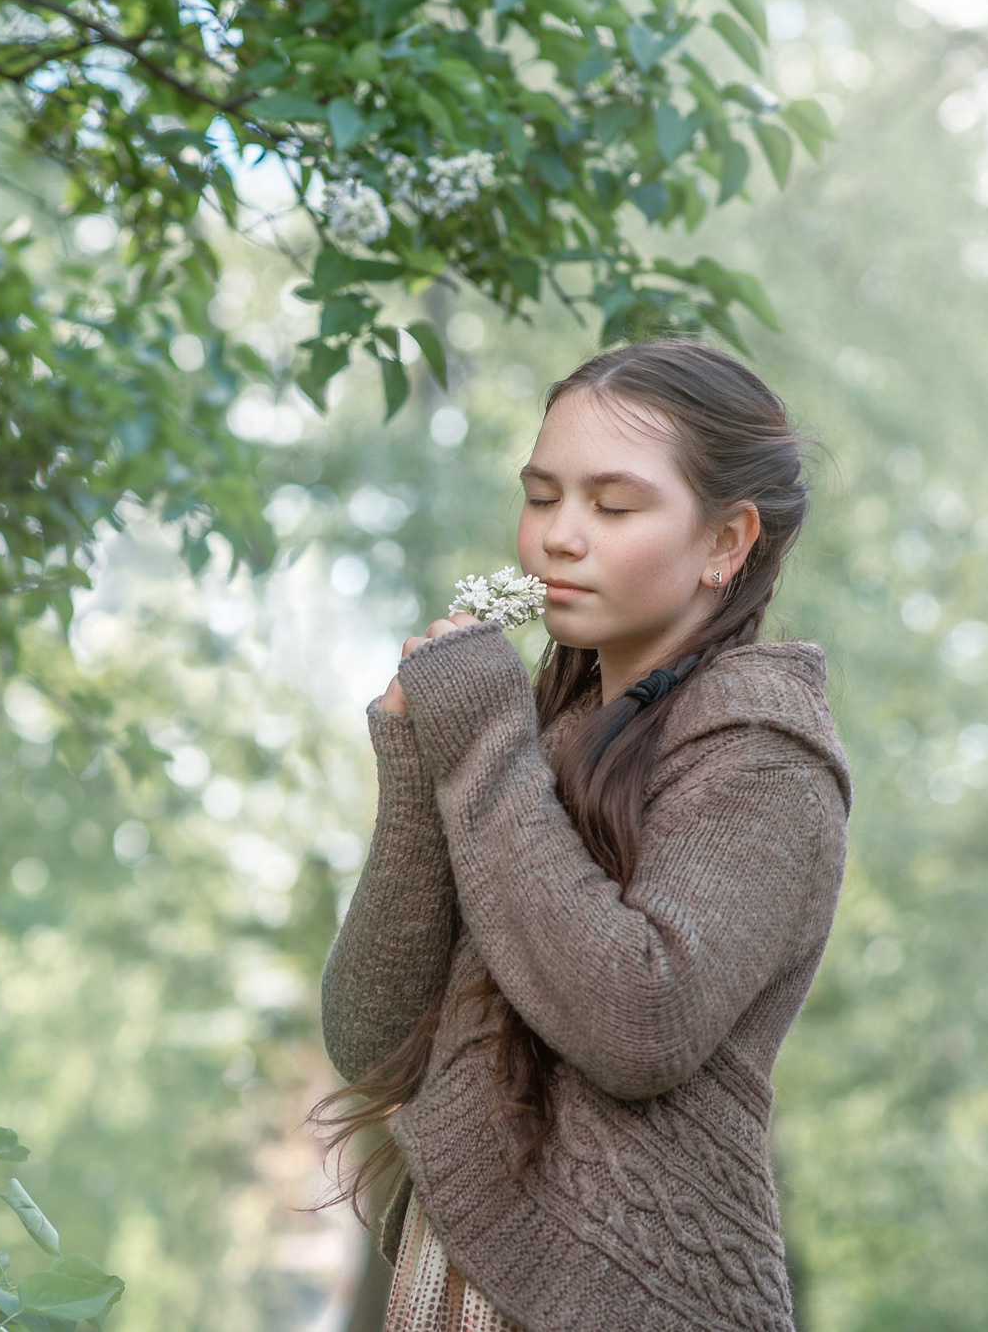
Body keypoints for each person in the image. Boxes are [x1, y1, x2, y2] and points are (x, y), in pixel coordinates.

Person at [312, 337, 853, 1332]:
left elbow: (639, 1022)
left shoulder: (764, 755)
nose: (559, 536)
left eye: (611, 506)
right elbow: (373, 1037)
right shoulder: (540, 747)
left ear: (726, 542)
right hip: (453, 1291)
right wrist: (411, 755)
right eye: (540, 495)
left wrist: (476, 743)